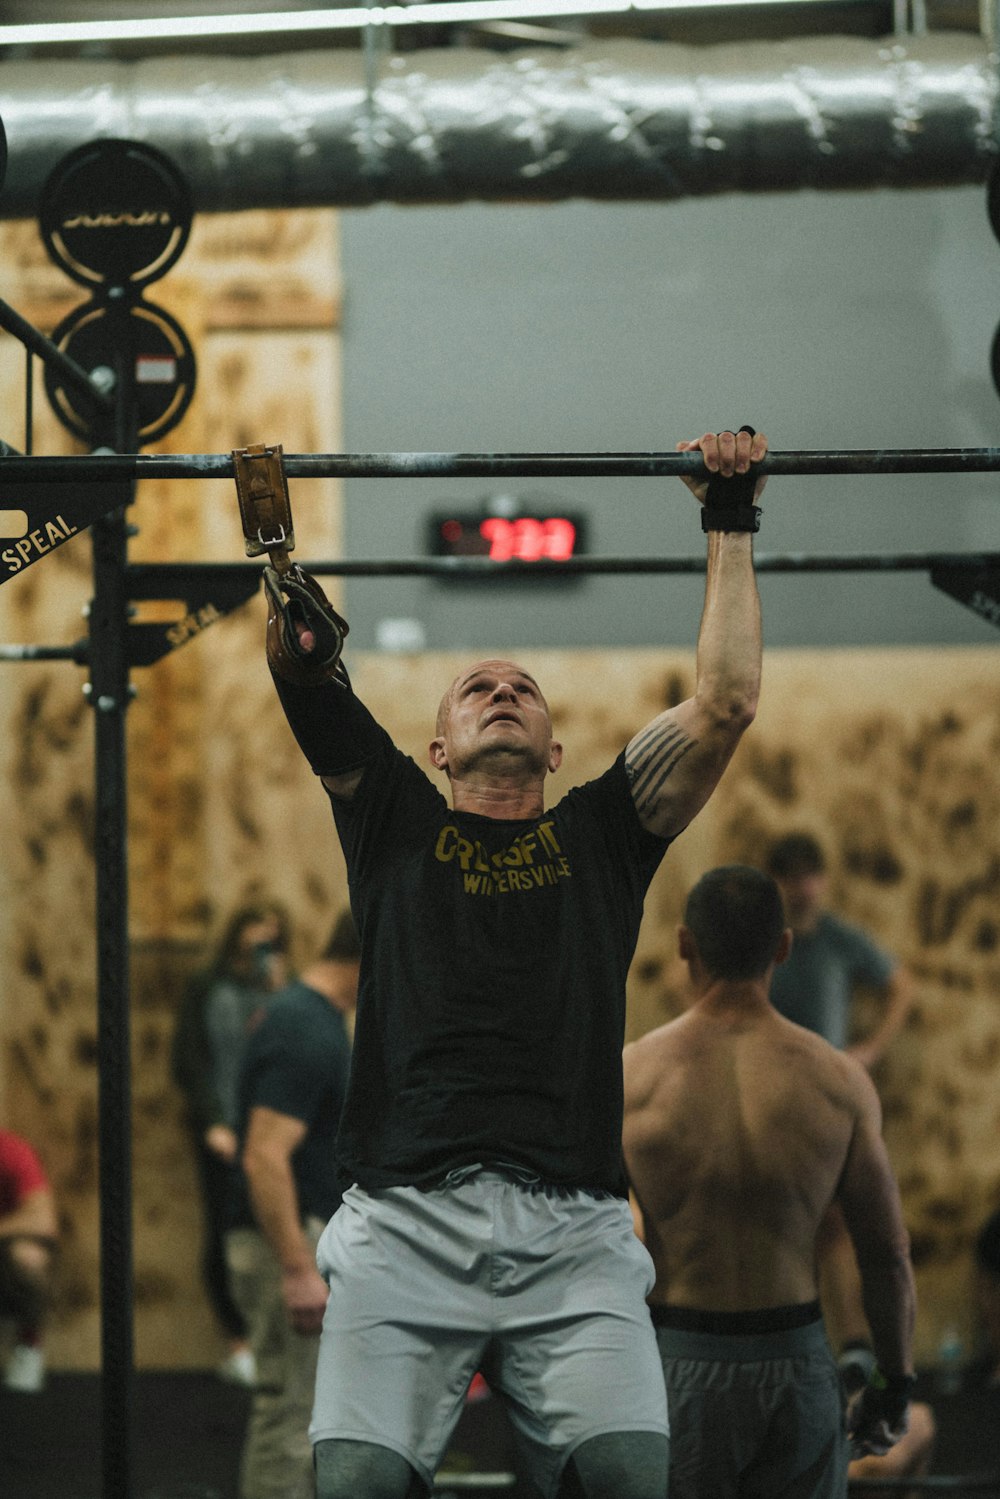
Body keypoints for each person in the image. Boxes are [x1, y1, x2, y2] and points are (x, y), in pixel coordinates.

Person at [258, 426, 768, 1499]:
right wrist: (288, 611)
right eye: (474, 687)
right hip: (403, 1222)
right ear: (437, 748)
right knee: (350, 1485)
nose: (501, 691)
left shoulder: (603, 834)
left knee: (631, 1478)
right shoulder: (392, 818)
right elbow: (304, 682)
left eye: (522, 688)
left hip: (573, 1230)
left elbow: (722, 704)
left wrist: (726, 514)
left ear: (555, 746)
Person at [621, 864, 917, 1499]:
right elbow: (887, 1254)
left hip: (677, 1360)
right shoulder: (838, 1082)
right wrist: (893, 1385)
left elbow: (584, 1244)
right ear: (782, 945)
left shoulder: (628, 1078)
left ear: (684, 946)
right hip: (797, 1360)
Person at [766, 831, 914, 1374]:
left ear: (822, 880)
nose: (803, 888)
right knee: (778, 1220)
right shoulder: (765, 938)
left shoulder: (839, 939)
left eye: (811, 875)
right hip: (772, 1097)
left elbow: (901, 983)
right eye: (792, 876)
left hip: (828, 1098)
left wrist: (872, 1048)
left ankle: (854, 1344)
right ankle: (803, 1342)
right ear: (778, 883)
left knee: (839, 1220)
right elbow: (683, 975)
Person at [224, 911, 359, 1499]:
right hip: (284, 1243)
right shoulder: (303, 1026)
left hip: (298, 1237)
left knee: (301, 1412)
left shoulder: (315, 1020)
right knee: (291, 1414)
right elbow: (264, 1156)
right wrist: (298, 1269)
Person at [171, 900, 292, 1384]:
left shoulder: (283, 987)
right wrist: (212, 1121)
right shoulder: (207, 985)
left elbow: (290, 1052)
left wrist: (281, 990)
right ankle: (236, 1340)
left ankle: (273, 1337)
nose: (262, 939)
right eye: (255, 928)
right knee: (222, 1232)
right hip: (222, 1130)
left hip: (271, 1131)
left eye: (273, 934)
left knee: (275, 1230)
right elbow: (189, 1059)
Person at [0, 1127, 58, 1393]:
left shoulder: (11, 1152)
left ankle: (28, 1345)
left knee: (29, 1256)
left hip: (3, 1254)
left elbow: (43, 1220)